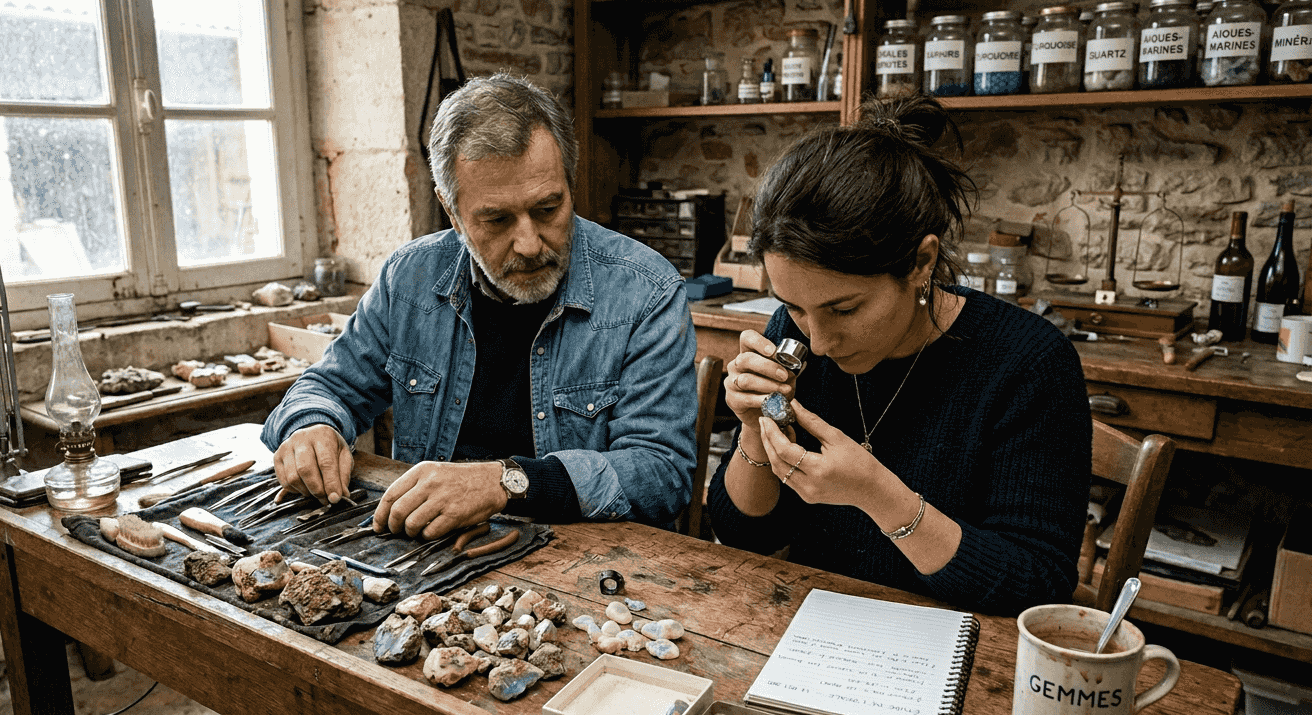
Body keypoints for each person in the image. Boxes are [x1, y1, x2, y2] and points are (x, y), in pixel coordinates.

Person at [262, 72, 697, 542]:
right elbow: (329, 386)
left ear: (570, 185)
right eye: (496, 219)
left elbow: (660, 475)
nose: (530, 244)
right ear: (451, 211)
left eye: (548, 209)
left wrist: (507, 482)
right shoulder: (409, 278)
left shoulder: (645, 291)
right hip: (430, 554)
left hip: (587, 564)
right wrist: (311, 427)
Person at [707, 94, 1090, 616]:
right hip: (822, 636)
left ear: (921, 262)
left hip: (962, 653)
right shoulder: (792, 339)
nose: (818, 343)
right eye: (793, 306)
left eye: (844, 309)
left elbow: (1038, 584)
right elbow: (744, 535)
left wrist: (877, 495)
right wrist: (753, 428)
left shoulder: (1028, 362)